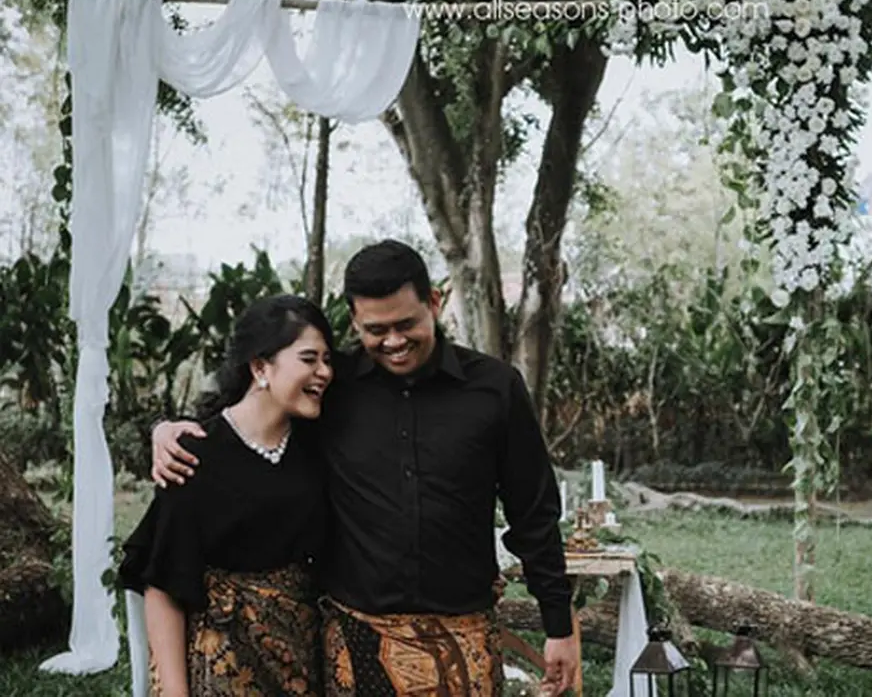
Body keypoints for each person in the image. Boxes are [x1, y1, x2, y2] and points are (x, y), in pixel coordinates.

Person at [150, 239, 578, 697]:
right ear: (354, 321)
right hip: (355, 644)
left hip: (465, 639)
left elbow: (533, 513)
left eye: (406, 324)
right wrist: (170, 429)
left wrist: (559, 624)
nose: (393, 342)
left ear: (435, 302)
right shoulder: (331, 389)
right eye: (376, 329)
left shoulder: (496, 389)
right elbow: (255, 415)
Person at [121, 294, 335, 696]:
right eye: (309, 359)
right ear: (260, 367)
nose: (324, 372)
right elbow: (164, 585)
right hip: (220, 667)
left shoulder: (317, 445)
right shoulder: (192, 455)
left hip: (300, 664)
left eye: (328, 360)